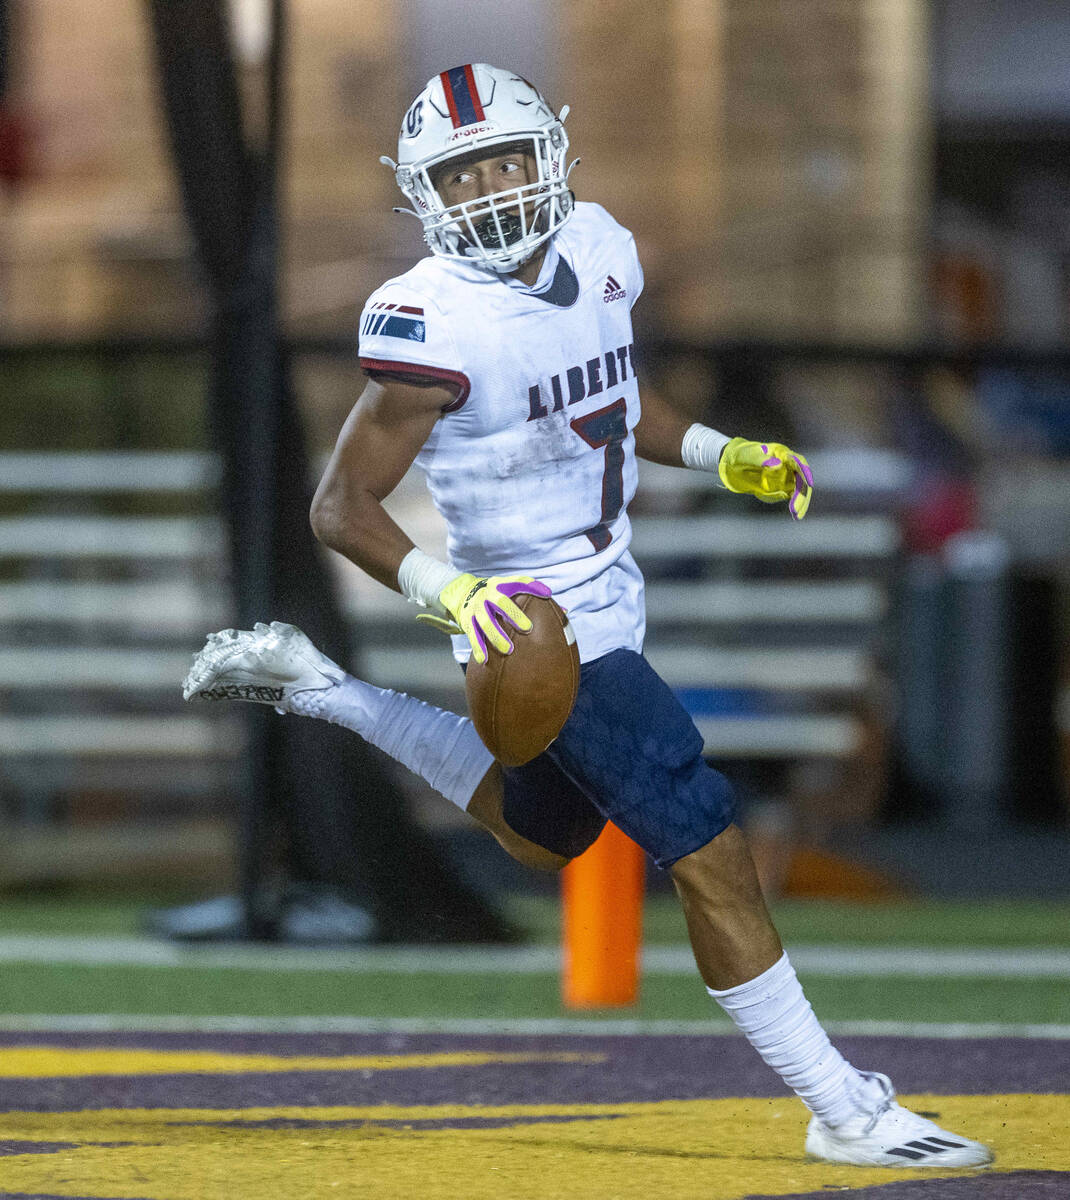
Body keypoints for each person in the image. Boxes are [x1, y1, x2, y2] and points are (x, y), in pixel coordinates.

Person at [183, 64, 991, 1168]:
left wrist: (718, 453)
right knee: (711, 847)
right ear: (426, 196)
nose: (489, 190)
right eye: (460, 177)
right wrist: (453, 595)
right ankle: (842, 1107)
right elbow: (340, 505)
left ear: (548, 156)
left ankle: (322, 689)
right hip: (538, 620)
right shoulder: (432, 320)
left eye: (503, 161)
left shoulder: (601, 250)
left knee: (544, 834)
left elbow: (615, 394)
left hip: (613, 587)